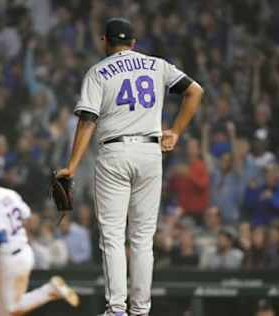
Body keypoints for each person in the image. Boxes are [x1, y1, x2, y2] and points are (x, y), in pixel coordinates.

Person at [56, 17, 203, 316]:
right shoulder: (157, 64)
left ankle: (116, 309)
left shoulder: (98, 72)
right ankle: (141, 309)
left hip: (115, 152)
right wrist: (176, 130)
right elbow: (195, 91)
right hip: (150, 153)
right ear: (134, 43)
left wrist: (72, 165)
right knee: (142, 238)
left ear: (106, 42)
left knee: (112, 235)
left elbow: (87, 121)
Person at [0, 163, 79, 315]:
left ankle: (50, 290)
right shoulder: (8, 193)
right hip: (20, 252)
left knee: (11, 309)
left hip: (10, 259)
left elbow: (0, 237)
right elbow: (28, 216)